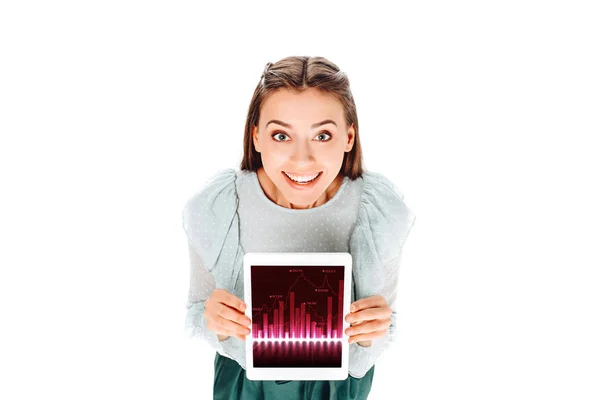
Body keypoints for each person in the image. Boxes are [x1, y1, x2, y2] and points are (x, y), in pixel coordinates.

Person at [182, 55, 416, 400]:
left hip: (338, 386)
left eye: (322, 135)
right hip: (246, 383)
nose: (302, 160)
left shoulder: (379, 212)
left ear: (349, 138)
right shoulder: (215, 208)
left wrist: (372, 330)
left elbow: (377, 335)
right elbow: (196, 314)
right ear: (257, 136)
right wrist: (212, 319)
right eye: (281, 135)